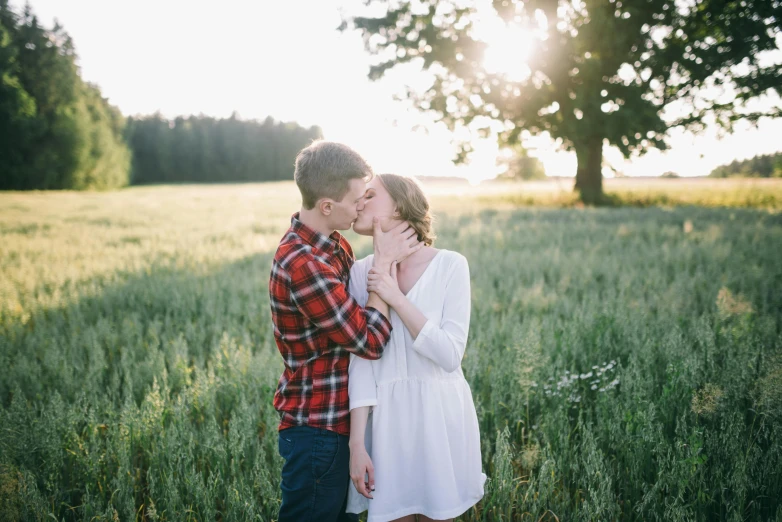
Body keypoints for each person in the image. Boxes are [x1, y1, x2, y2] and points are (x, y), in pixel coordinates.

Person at [269, 142, 423, 522]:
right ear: (326, 206)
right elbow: (368, 342)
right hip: (318, 426)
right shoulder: (303, 263)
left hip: (340, 420)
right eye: (357, 199)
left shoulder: (334, 246)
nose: (362, 206)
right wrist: (384, 265)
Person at [346, 174, 486, 522]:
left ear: (400, 204)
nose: (358, 202)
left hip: (439, 417)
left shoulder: (451, 265)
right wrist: (356, 444)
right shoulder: (360, 272)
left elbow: (450, 355)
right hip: (387, 426)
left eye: (370, 195)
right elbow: (361, 363)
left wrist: (393, 295)